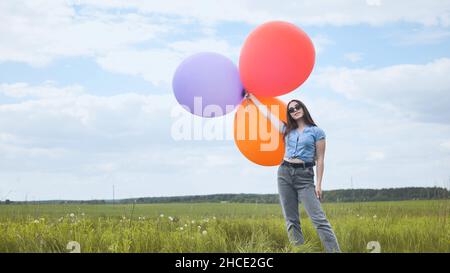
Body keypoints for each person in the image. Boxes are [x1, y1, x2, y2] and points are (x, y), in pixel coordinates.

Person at [246, 93, 341, 253]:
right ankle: (300, 250)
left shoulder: (317, 132)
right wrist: (253, 99)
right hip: (284, 173)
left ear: (303, 109)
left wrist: (318, 184)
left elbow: (320, 159)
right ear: (289, 114)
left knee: (319, 219)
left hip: (305, 176)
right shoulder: (286, 129)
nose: (295, 110)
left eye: (297, 107)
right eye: (291, 109)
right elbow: (267, 114)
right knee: (291, 220)